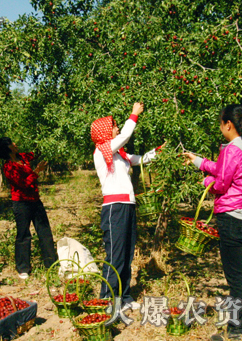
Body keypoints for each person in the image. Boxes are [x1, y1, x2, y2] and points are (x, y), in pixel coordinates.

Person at [184, 105, 242, 340]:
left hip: (231, 218)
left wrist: (207, 181)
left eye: (221, 124)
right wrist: (199, 161)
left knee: (235, 277)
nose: (220, 128)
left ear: (229, 124)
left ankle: (237, 329)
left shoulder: (231, 149)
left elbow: (221, 183)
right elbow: (225, 170)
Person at [91, 102, 162, 311]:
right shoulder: (101, 152)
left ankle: (124, 294)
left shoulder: (120, 155)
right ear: (104, 132)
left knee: (128, 251)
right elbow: (125, 137)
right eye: (113, 126)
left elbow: (141, 159)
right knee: (115, 253)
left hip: (128, 206)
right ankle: (108, 298)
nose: (117, 129)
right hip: (114, 208)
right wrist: (134, 115)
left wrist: (159, 152)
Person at [0, 137, 58, 279]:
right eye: (12, 143)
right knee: (23, 235)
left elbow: (36, 152)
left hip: (35, 200)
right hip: (21, 203)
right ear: (8, 148)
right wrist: (36, 171)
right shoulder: (9, 167)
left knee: (44, 231)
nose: (15, 144)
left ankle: (51, 263)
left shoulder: (22, 157)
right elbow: (22, 184)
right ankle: (23, 268)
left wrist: (46, 138)